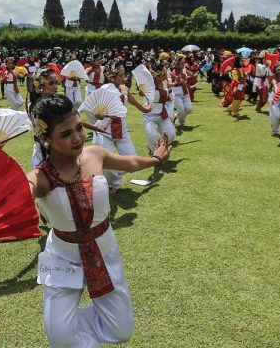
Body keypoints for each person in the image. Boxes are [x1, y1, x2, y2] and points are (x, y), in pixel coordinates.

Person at [27, 94, 171, 347]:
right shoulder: (39, 177)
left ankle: (64, 324)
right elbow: (11, 200)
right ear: (44, 139)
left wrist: (156, 159)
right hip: (63, 256)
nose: (78, 138)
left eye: (79, 128)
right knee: (60, 339)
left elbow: (130, 163)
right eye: (66, 134)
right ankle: (61, 327)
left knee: (121, 332)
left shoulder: (94, 154)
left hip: (104, 248)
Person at [93, 62, 152, 193]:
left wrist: (145, 109)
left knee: (131, 159)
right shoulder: (104, 90)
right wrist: (101, 114)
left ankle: (106, 175)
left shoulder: (124, 88)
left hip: (121, 128)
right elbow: (97, 114)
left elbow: (132, 100)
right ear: (112, 77)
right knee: (106, 160)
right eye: (120, 75)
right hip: (104, 130)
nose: (124, 77)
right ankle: (113, 185)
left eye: (124, 74)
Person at [142, 62, 176, 154]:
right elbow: (143, 93)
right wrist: (143, 92)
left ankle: (153, 146)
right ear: (156, 74)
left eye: (166, 74)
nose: (166, 76)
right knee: (153, 136)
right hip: (149, 115)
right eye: (164, 74)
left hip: (162, 114)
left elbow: (168, 87)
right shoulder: (149, 84)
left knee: (172, 134)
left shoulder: (165, 82)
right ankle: (156, 153)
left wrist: (176, 83)